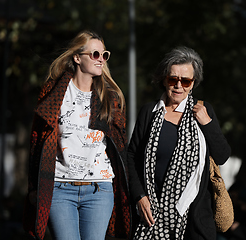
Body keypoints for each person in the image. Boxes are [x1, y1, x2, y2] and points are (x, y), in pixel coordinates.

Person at [22, 30, 130, 240]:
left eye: (104, 55)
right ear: (77, 57)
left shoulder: (110, 97)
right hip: (60, 188)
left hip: (99, 189)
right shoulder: (54, 93)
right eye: (95, 54)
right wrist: (34, 187)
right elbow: (37, 142)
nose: (101, 60)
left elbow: (120, 146)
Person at [128, 46, 231, 240]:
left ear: (193, 83)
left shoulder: (203, 110)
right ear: (164, 79)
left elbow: (223, 155)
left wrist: (207, 123)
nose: (178, 85)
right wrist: (140, 196)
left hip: (194, 219)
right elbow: (132, 156)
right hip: (151, 217)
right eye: (172, 79)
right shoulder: (149, 112)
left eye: (185, 81)